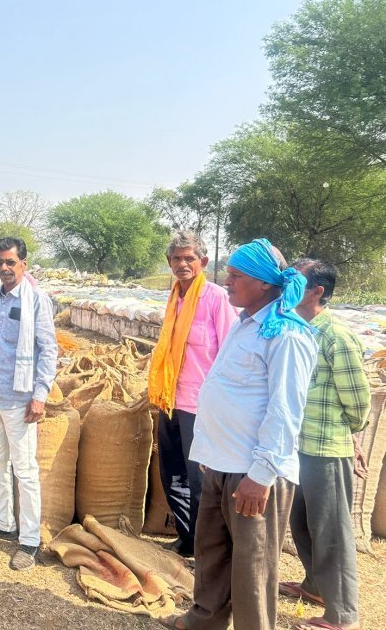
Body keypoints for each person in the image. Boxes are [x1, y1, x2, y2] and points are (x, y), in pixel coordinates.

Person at [160, 238, 318, 630]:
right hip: (221, 461)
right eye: (228, 274)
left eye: (236, 276)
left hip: (253, 471)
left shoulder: (287, 335)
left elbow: (285, 411)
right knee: (212, 552)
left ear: (264, 283)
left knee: (252, 566)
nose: (226, 282)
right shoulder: (247, 323)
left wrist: (261, 475)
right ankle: (204, 620)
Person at [280, 259, 370, 630]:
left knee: (330, 530)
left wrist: (346, 433)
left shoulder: (335, 335)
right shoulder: (298, 328)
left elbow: (358, 402)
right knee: (301, 523)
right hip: (297, 445)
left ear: (317, 292)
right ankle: (314, 585)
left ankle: (342, 614)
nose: (287, 288)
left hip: (325, 447)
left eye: (296, 283)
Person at [0, 237, 58, 571]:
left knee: (25, 470)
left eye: (10, 262)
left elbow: (48, 350)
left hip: (19, 400)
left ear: (23, 264)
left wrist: (40, 396)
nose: (4, 268)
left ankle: (30, 539)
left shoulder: (36, 300)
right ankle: (3, 521)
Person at [147, 231, 237, 556]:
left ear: (203, 261)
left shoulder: (215, 298)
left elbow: (229, 351)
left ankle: (206, 549)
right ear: (169, 262)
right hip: (171, 399)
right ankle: (187, 538)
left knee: (199, 482)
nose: (182, 264)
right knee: (171, 474)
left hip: (200, 406)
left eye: (189, 258)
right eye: (176, 258)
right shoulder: (175, 297)